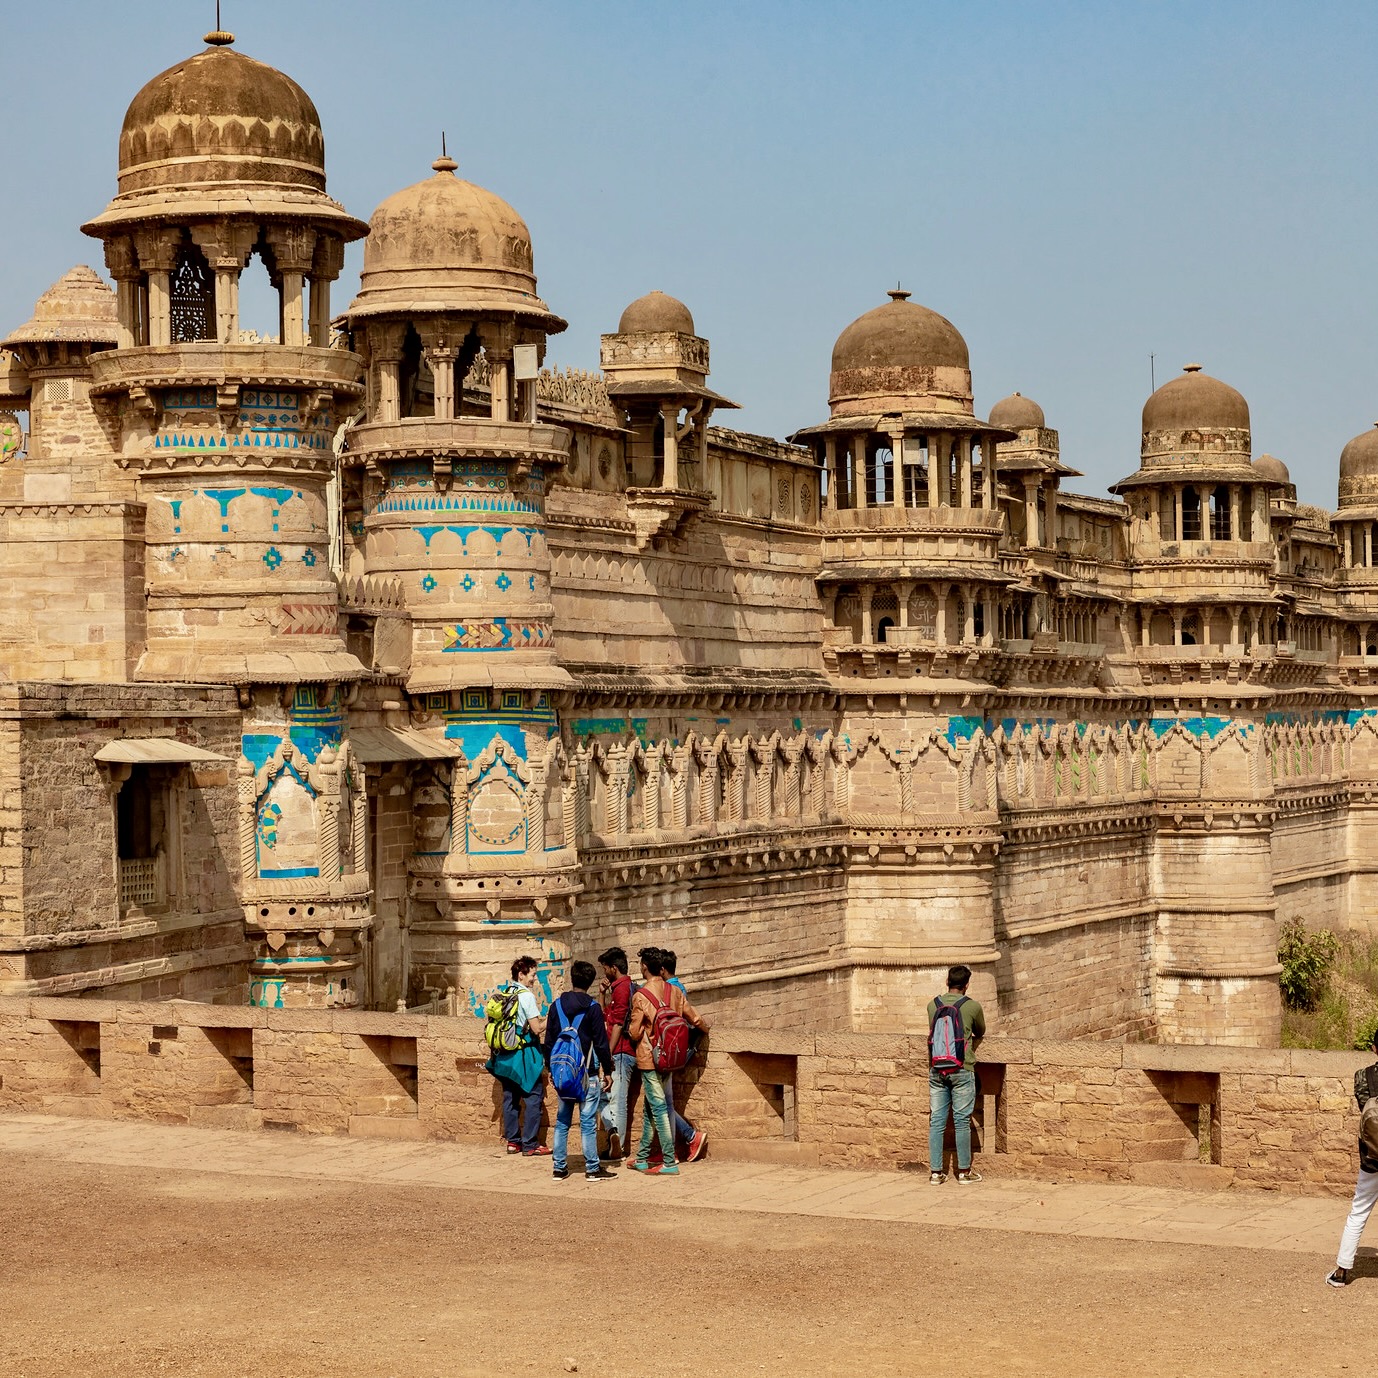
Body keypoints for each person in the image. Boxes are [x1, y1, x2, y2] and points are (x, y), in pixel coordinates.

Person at [627, 946, 709, 1177]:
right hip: (671, 1057)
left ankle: (669, 1160)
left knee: (659, 1107)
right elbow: (694, 1018)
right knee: (651, 1108)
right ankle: (642, 1157)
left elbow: (634, 1032)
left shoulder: (641, 996)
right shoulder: (674, 991)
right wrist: (706, 1029)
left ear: (644, 967)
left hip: (649, 1057)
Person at [542, 960, 616, 1182]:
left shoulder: (556, 1006)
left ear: (572, 979)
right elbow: (601, 1043)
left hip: (564, 1073)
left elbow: (548, 1042)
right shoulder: (592, 1009)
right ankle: (592, 1168)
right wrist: (609, 1071)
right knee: (587, 1122)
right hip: (587, 1073)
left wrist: (551, 1068)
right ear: (590, 982)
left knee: (563, 1120)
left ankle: (559, 1167)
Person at [1326, 1028, 1378, 1287]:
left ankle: (1342, 1272)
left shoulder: (1362, 1076)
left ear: (1374, 1048)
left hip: (1372, 1155)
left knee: (1358, 1212)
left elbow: (1364, 1108)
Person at [927, 964, 986, 1185]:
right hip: (962, 1068)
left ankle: (935, 1173)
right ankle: (963, 1173)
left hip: (937, 1069)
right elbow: (981, 1030)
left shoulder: (933, 1005)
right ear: (967, 985)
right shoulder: (972, 1006)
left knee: (937, 1121)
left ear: (947, 983)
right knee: (961, 1121)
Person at [484, 956, 549, 1157]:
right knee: (533, 1096)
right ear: (521, 974)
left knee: (510, 1097)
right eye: (532, 974)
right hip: (523, 1055)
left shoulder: (506, 992)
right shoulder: (526, 996)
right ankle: (530, 1144)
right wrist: (551, 1018)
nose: (534, 979)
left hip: (504, 1056)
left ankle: (513, 1142)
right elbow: (536, 1028)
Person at [661, 949, 707, 1162]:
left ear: (661, 969)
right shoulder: (679, 988)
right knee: (661, 1101)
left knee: (662, 1102)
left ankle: (689, 1137)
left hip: (668, 1051)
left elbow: (687, 1018)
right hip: (673, 1050)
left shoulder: (671, 990)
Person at [597, 946, 636, 1158]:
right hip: (619, 1050)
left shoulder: (622, 988)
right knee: (609, 1098)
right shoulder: (618, 988)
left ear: (614, 967)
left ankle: (617, 1147)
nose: (604, 972)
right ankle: (614, 1143)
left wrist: (607, 1054)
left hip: (621, 1051)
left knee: (617, 1101)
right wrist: (602, 994)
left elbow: (618, 1024)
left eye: (605, 968)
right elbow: (607, 1016)